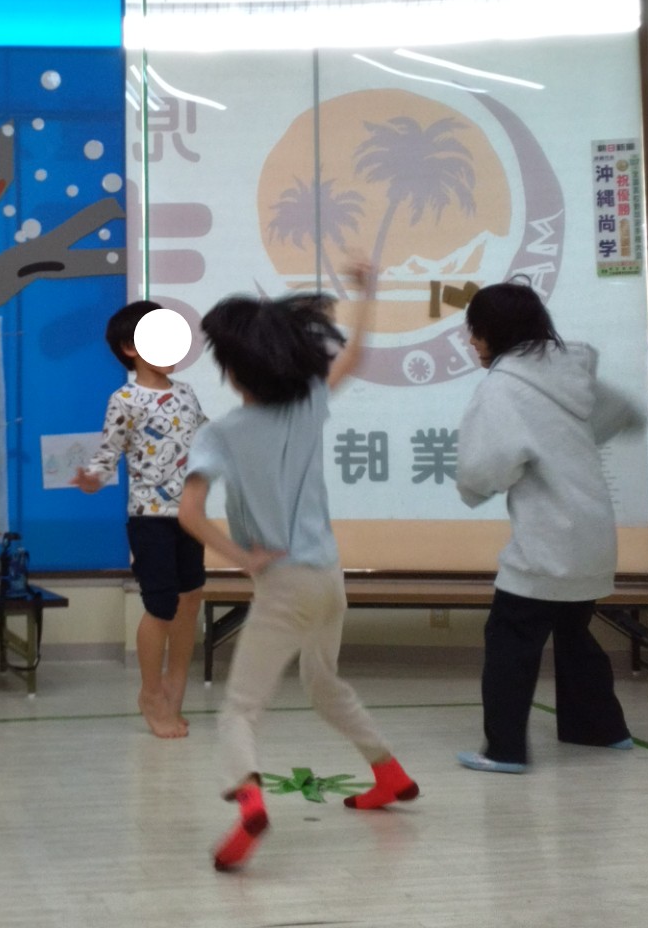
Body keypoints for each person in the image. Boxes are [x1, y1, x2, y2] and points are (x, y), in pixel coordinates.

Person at [177, 266, 418, 873]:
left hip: (283, 583)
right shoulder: (308, 401)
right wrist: (367, 293)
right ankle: (389, 773)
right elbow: (355, 356)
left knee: (240, 709)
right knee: (323, 683)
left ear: (232, 371)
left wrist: (242, 559)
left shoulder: (221, 434)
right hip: (328, 578)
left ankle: (249, 801)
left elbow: (189, 514)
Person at [455, 279, 640, 774]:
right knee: (573, 633)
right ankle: (601, 729)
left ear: (495, 332)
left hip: (549, 539)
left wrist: (475, 488)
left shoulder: (504, 386)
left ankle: (505, 751)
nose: (471, 341)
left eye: (475, 331)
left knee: (510, 639)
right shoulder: (568, 370)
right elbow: (620, 413)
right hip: (592, 534)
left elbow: (482, 470)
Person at [74, 300, 207, 739]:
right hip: (150, 517)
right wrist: (91, 479)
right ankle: (150, 694)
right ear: (129, 348)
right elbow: (107, 455)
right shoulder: (125, 399)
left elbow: (206, 438)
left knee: (191, 598)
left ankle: (175, 689)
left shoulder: (186, 393)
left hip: (189, 516)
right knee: (161, 605)